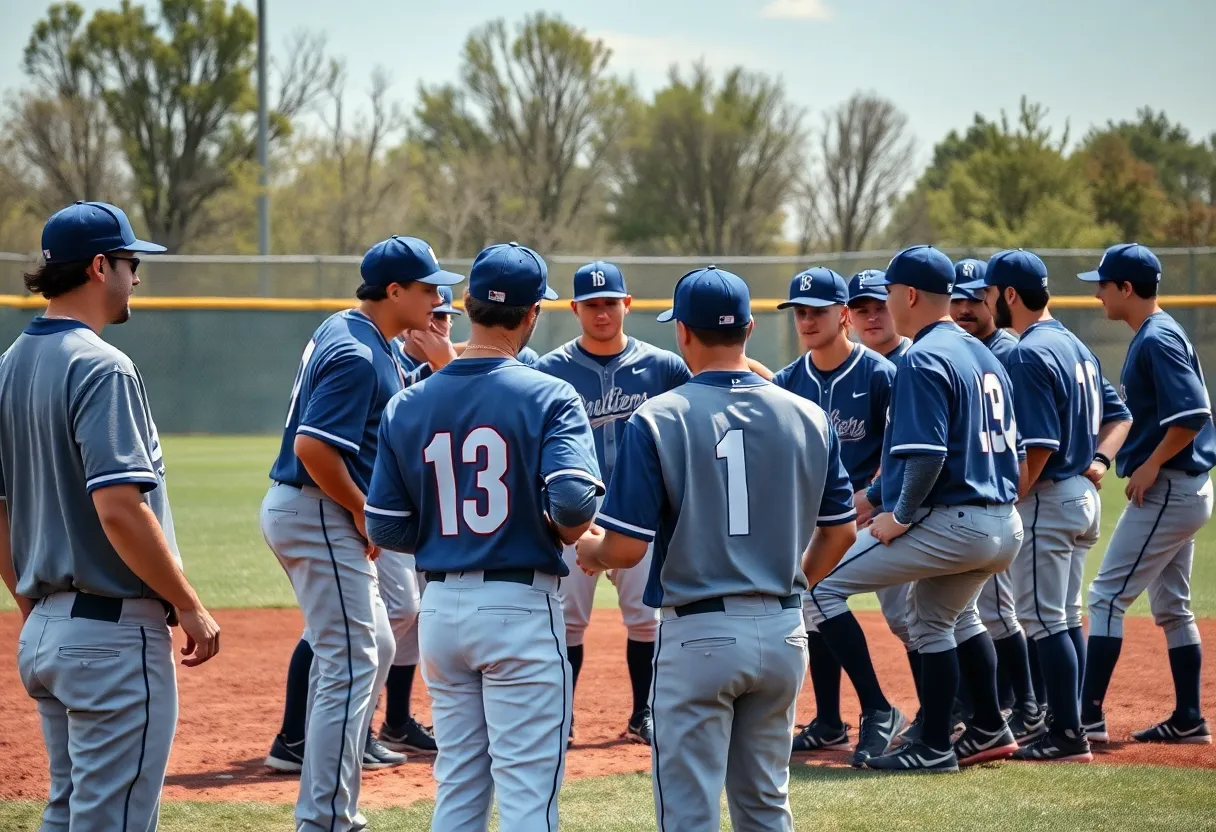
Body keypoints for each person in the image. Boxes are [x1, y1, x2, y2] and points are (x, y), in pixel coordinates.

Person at [575, 266, 857, 831]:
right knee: (765, 806)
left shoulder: (659, 416)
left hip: (699, 632)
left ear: (682, 333)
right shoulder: (807, 414)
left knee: (688, 811)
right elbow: (842, 531)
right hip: (782, 631)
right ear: (750, 329)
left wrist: (592, 551)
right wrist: (794, 584)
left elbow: (626, 549)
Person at [366, 242, 603, 830]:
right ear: (531, 315)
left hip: (442, 608)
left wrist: (449, 527)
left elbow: (385, 525)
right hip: (520, 608)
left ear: (466, 306)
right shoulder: (550, 392)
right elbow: (574, 504)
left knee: (459, 788)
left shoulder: (407, 402)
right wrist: (551, 526)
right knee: (527, 795)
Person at [0, 201, 221, 830]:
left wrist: (32, 604)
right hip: (111, 639)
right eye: (130, 263)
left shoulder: (7, 367)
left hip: (44, 630)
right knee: (112, 820)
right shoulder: (102, 365)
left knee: (69, 812)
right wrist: (188, 603)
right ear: (100, 266)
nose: (137, 277)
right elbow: (120, 508)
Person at [262, 235, 460, 831]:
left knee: (364, 648)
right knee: (350, 663)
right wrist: (360, 510)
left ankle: (328, 803)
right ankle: (325, 819)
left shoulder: (351, 330)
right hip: (318, 507)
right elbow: (313, 447)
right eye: (427, 288)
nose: (436, 298)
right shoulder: (358, 354)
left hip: (311, 508)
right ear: (394, 291)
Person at [805, 245, 1024, 773]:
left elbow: (926, 456)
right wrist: (880, 499)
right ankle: (989, 726)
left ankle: (909, 730)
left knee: (819, 585)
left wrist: (898, 514)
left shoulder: (925, 355)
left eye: (886, 296)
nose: (883, 306)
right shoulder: (983, 350)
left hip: (954, 520)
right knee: (943, 616)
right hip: (1003, 520)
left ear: (906, 295)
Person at [965, 249, 1131, 762]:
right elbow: (1117, 414)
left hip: (1049, 497)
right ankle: (1074, 720)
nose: (987, 302)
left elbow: (1037, 444)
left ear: (1009, 295)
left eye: (990, 294)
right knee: (1064, 614)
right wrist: (1099, 460)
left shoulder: (1028, 350)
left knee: (1044, 620)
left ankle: (1066, 735)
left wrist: (1013, 492)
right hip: (1080, 496)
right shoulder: (1075, 344)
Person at [534, 261, 691, 746]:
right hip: (570, 518)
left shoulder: (664, 366)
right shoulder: (550, 370)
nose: (602, 313)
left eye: (610, 303)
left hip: (640, 516)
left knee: (644, 619)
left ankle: (642, 713)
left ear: (627, 304)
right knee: (567, 622)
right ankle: (564, 715)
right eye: (592, 305)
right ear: (576, 308)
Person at [1077, 244, 1215, 745]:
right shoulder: (1157, 333)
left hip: (1170, 487)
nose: (1097, 292)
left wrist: (1152, 464)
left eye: (1104, 284)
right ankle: (1189, 719)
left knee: (1107, 595)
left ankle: (1086, 716)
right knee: (1173, 607)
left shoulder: (1157, 338)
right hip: (1185, 488)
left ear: (1127, 289)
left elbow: (1194, 413)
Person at [769, 267, 903, 754]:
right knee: (811, 606)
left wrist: (874, 499)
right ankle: (831, 719)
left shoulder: (882, 375)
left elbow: (904, 453)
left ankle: (919, 711)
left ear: (842, 315)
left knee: (913, 620)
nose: (806, 320)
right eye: (800, 312)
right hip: (814, 520)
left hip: (878, 515)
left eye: (817, 312)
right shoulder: (787, 382)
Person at [950, 256, 1043, 742]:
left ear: (994, 299)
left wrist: (1015, 490)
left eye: (975, 298)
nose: (965, 308)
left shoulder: (1005, 350)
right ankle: (1003, 701)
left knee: (999, 608)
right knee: (984, 606)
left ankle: (1027, 703)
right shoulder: (964, 351)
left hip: (1001, 496)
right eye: (957, 299)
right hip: (983, 496)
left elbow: (1025, 435)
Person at [846, 269, 911, 363]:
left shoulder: (917, 360)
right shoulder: (848, 367)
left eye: (880, 308)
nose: (872, 318)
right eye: (862, 311)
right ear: (848, 318)